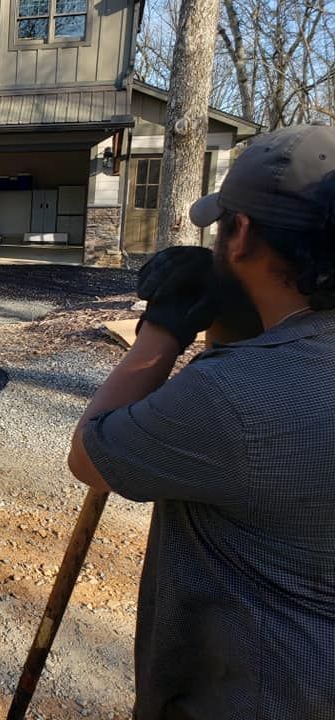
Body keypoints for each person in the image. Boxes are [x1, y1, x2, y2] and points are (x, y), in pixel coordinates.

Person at [67, 124, 335, 720]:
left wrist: (165, 325)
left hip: (258, 692)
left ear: (239, 235)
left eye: (222, 225)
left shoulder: (232, 398)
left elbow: (91, 455)